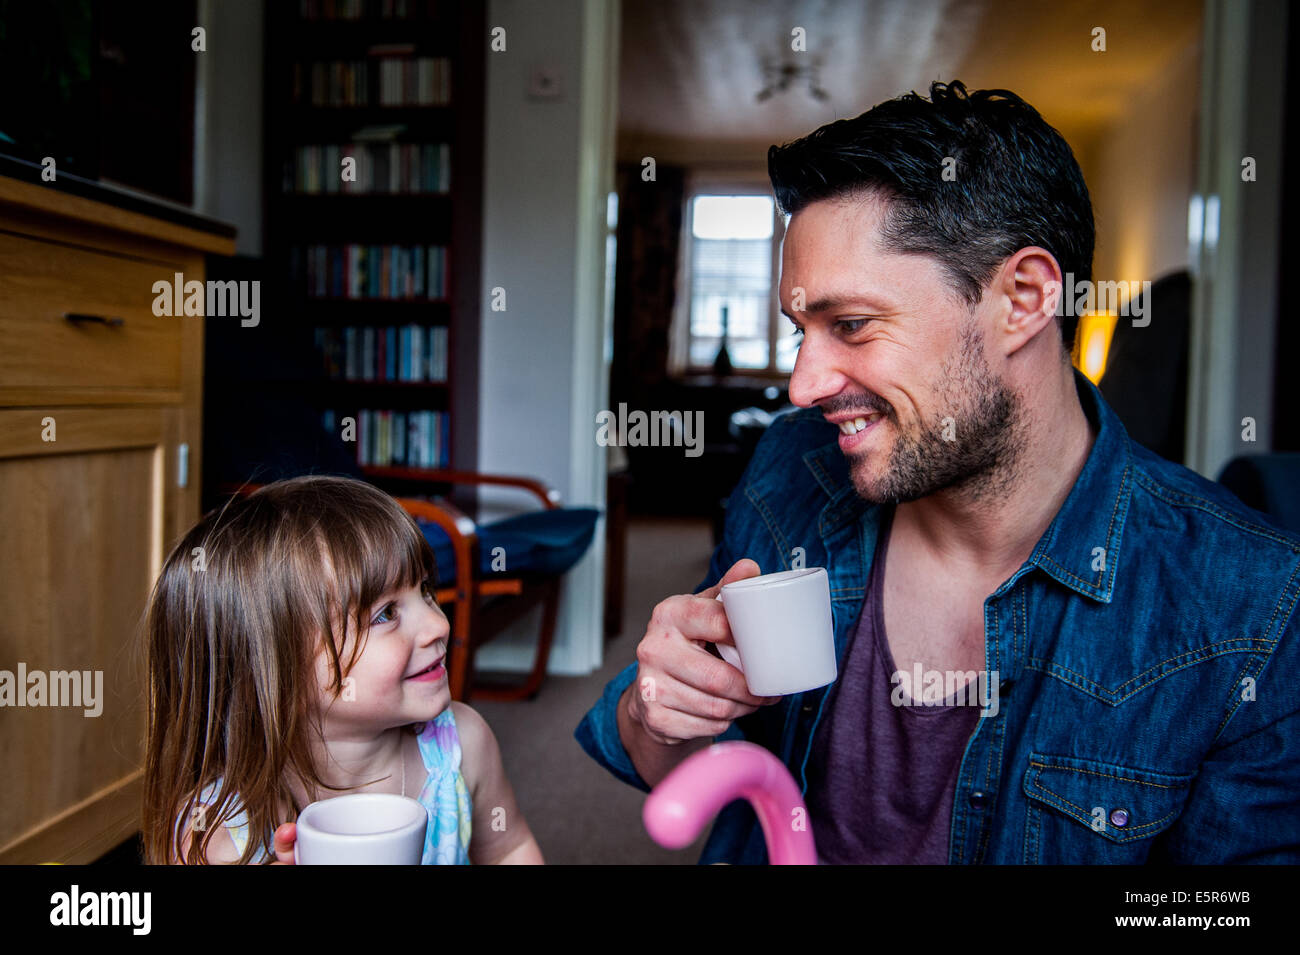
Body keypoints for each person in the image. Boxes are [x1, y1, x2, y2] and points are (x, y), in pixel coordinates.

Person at [576, 80, 1300, 864]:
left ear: (1023, 298)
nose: (803, 386)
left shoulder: (1250, 607)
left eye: (849, 325)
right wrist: (658, 714)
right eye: (800, 333)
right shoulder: (789, 468)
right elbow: (687, 768)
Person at [142, 475, 544, 864]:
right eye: (386, 613)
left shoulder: (462, 745)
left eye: (425, 590)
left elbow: (509, 849)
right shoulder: (212, 831)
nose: (439, 625)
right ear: (272, 670)